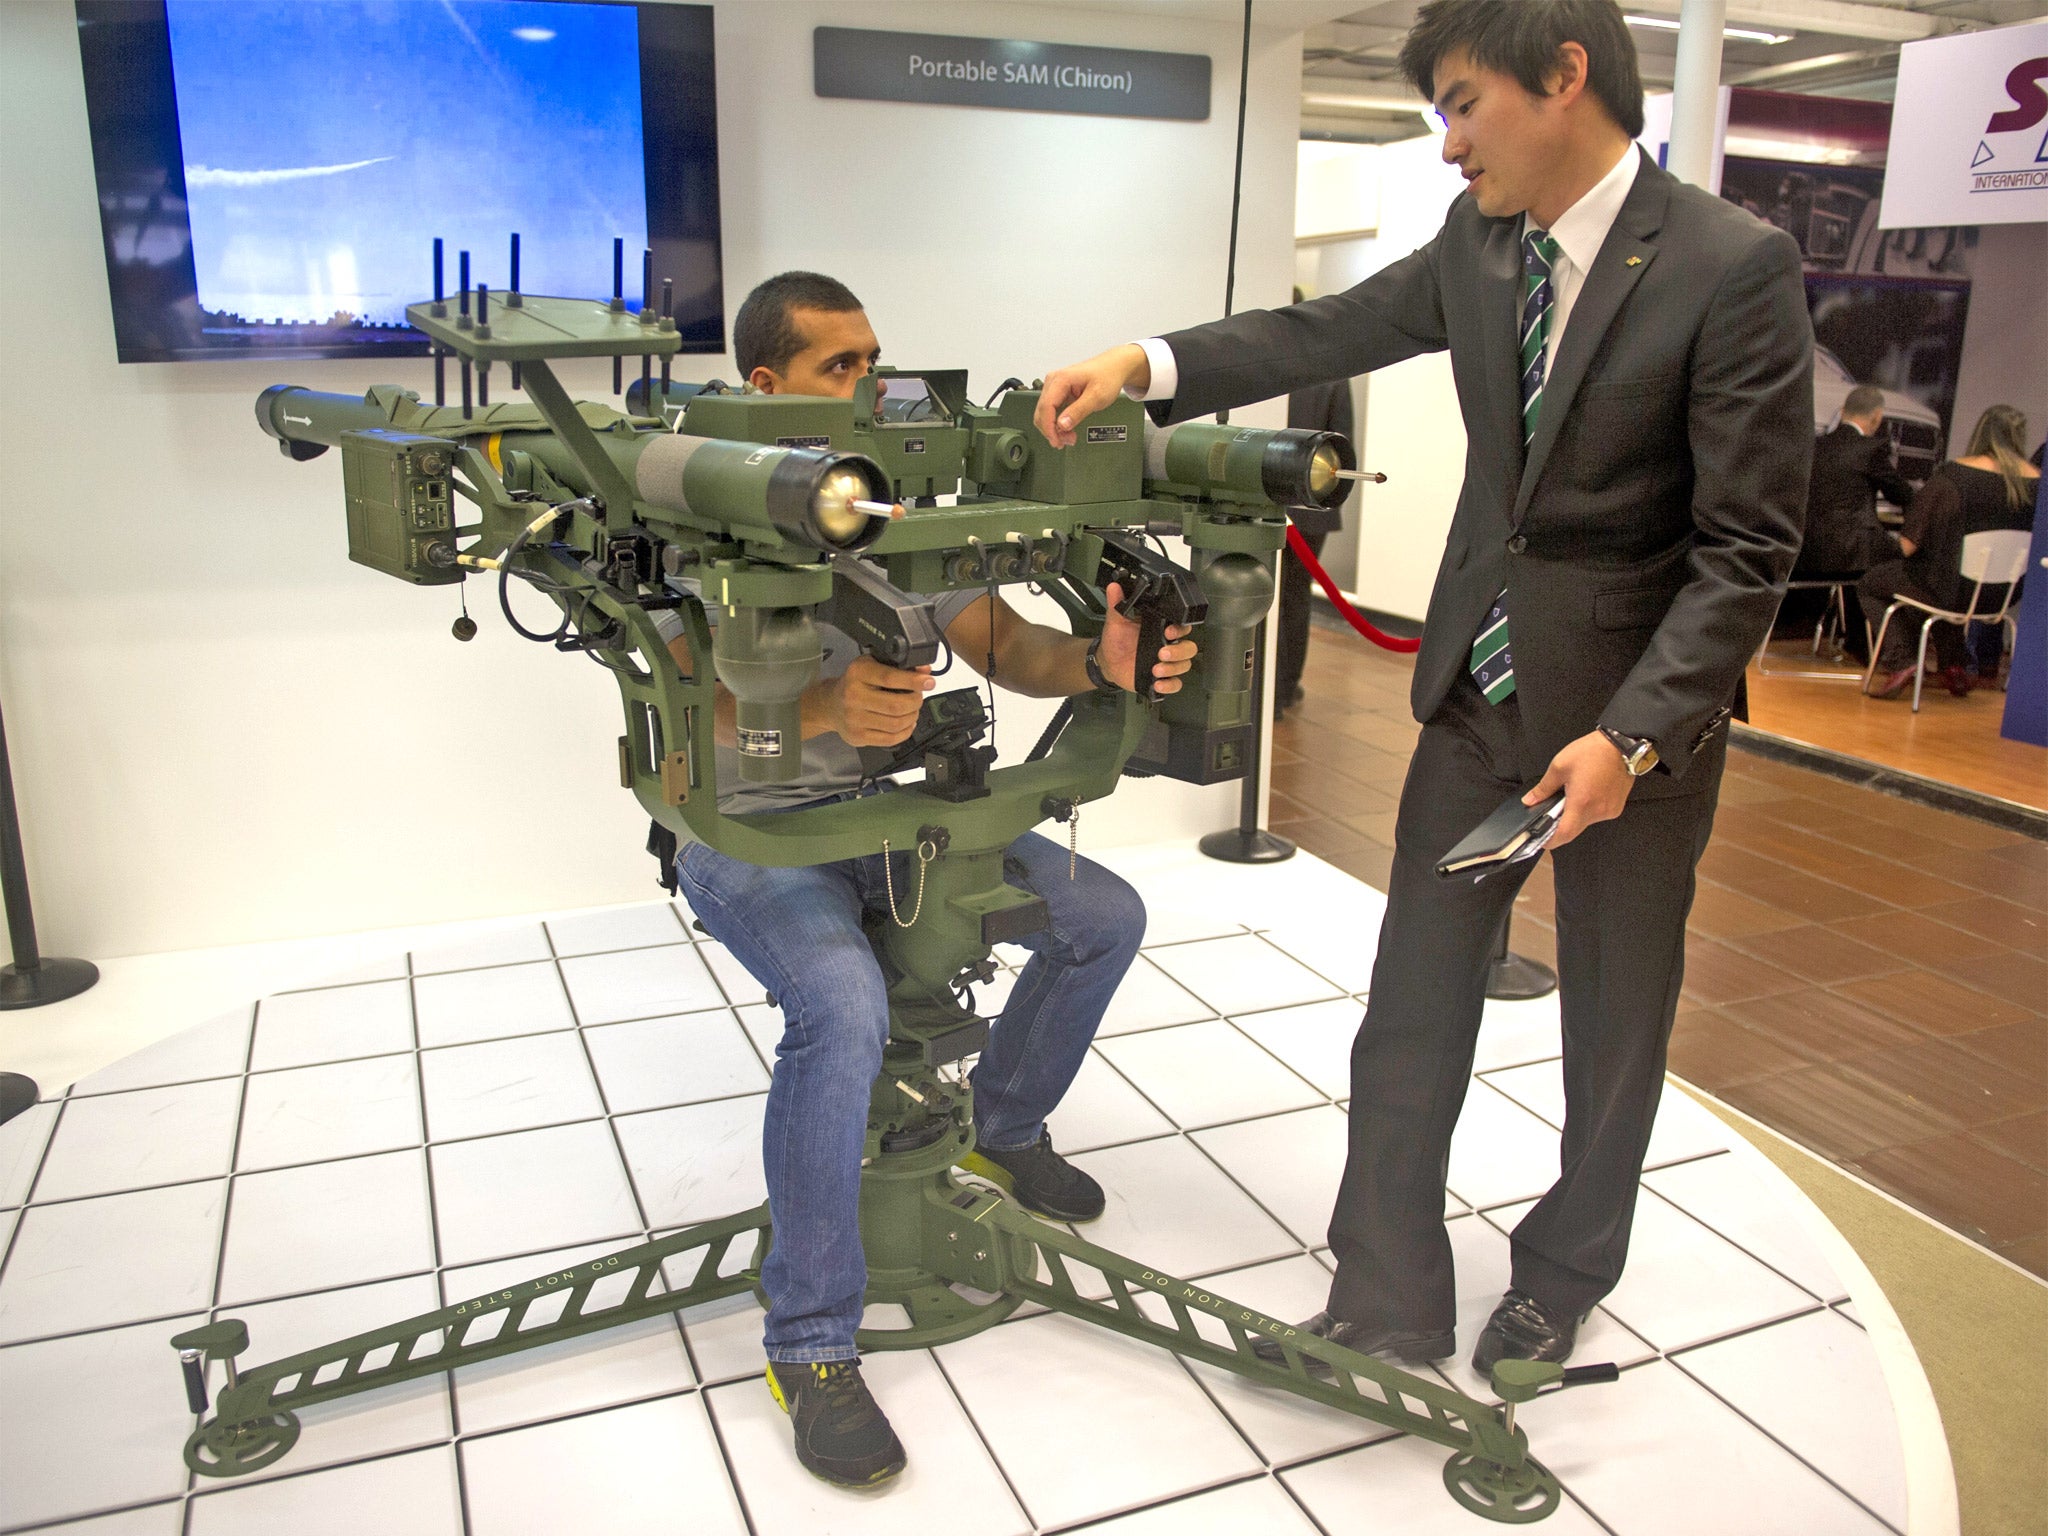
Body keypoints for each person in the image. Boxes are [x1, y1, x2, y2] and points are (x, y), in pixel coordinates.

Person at [1034, 0, 1809, 1375]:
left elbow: (1748, 554)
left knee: (1614, 1022)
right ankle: (1386, 1297)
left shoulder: (1730, 265)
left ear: (1564, 76)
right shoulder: (1479, 243)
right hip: (1480, 699)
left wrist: (1631, 737)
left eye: (1461, 104)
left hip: (1635, 731)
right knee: (1414, 1006)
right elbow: (1319, 328)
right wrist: (1142, 366)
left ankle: (1563, 1277)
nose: (1447, 143)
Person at [656, 272, 1198, 1489]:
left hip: (900, 823)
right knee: (838, 1011)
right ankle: (809, 1342)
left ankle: (1002, 1128)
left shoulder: (883, 500)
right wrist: (817, 710)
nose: (869, 390)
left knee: (1102, 918)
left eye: (873, 364)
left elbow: (1004, 641)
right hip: (746, 834)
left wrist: (1100, 659)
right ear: (763, 387)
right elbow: (689, 719)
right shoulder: (693, 517)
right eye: (836, 369)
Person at [1861, 402, 2039, 697]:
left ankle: (1902, 662)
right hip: (2001, 596)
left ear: (1982, 431)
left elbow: (1907, 545)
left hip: (1953, 590)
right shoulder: (2038, 485)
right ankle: (1955, 665)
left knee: (1874, 583)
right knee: (1947, 585)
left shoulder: (1954, 476)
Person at [1275, 288, 1357, 719]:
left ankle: (1266, 690)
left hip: (1270, 506)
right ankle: (1285, 688)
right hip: (1312, 511)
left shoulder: (1264, 370)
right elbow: (1343, 450)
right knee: (1295, 600)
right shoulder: (1331, 373)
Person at [1795, 384, 1912, 662]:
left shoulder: (1814, 446)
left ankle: (1855, 640)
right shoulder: (1871, 449)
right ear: (1877, 417)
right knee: (1899, 560)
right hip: (1849, 556)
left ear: (1843, 412)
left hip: (1802, 554)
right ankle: (1888, 650)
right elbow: (1901, 495)